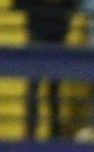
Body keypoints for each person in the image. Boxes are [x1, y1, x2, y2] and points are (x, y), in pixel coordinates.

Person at [15, 0, 78, 140]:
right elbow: (18, 5)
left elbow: (74, 5)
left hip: (56, 31)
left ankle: (52, 132)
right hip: (40, 30)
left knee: (53, 86)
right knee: (35, 85)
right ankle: (32, 133)